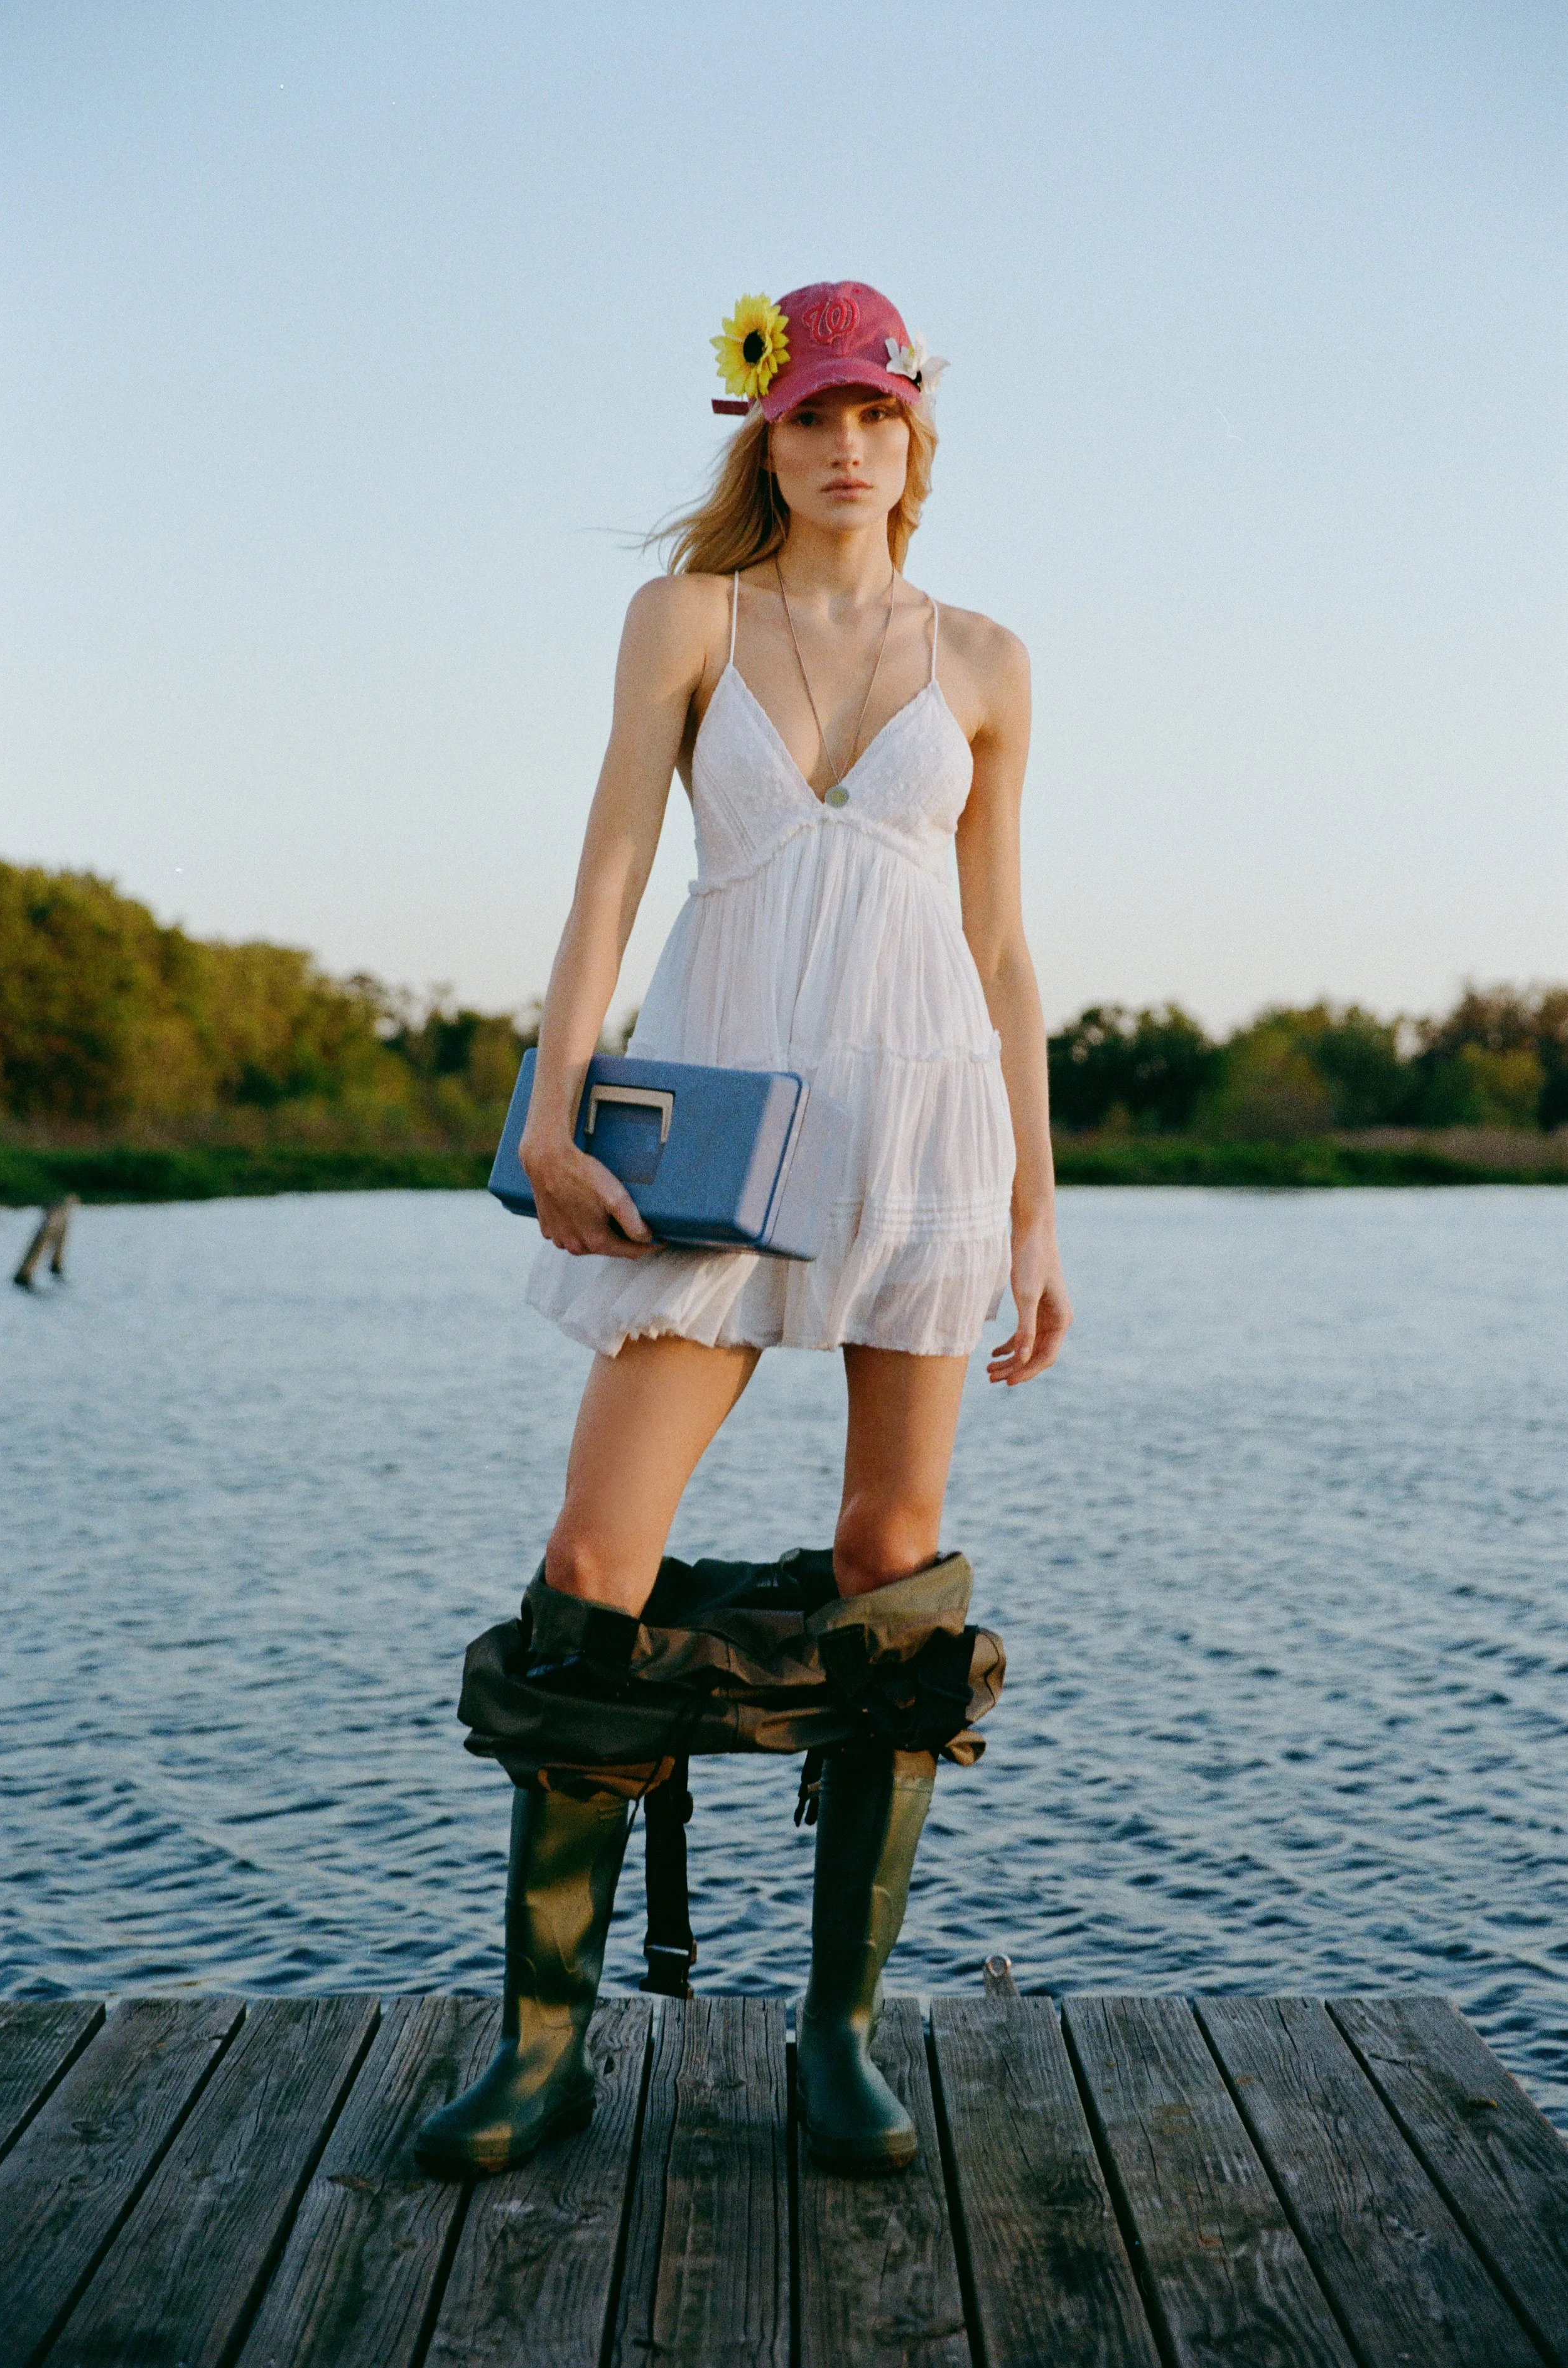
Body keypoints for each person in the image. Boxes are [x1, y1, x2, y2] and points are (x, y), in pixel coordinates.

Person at [416, 280, 1072, 2183]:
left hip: (925, 1116)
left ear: (914, 438)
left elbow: (1006, 949)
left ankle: (837, 2041)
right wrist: (548, 1113)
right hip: (713, 1123)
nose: (846, 443)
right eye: (812, 415)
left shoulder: (991, 660)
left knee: (889, 1558)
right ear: (763, 436)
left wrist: (1036, 1210)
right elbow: (613, 869)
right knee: (595, 1562)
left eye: (876, 412)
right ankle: (543, 2053)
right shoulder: (688, 617)